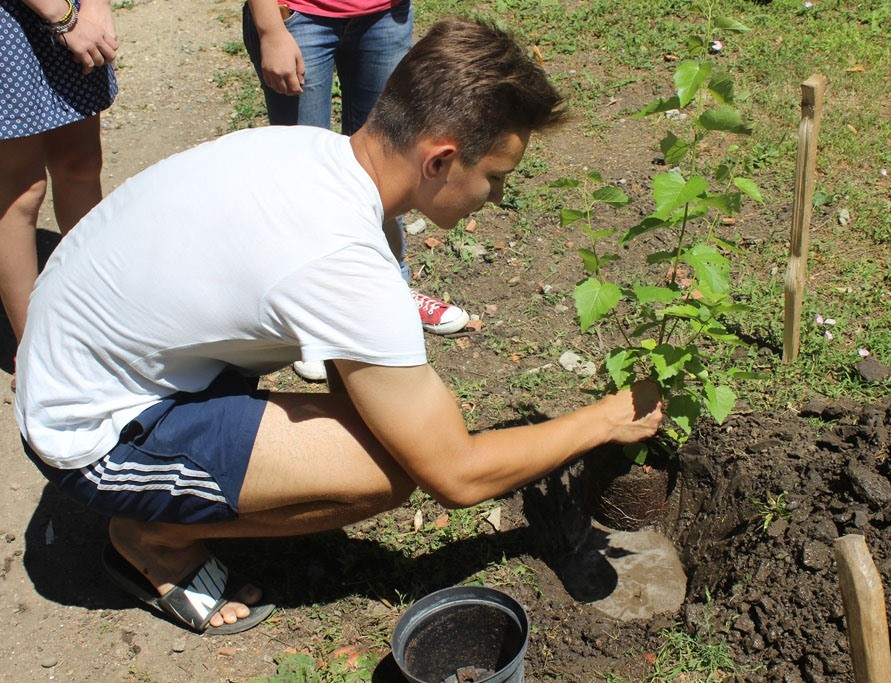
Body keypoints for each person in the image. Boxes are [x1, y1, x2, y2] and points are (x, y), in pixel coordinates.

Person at [15, 18, 663, 635]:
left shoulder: (313, 153)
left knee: (388, 424)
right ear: (439, 160)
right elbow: (455, 475)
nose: (495, 198)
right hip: (85, 425)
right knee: (388, 469)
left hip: (90, 345)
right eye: (494, 178)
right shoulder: (343, 262)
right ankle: (150, 540)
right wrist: (605, 418)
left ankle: (181, 482)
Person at [242, 0, 469, 382]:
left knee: (386, 164)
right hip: (297, 16)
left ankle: (391, 293)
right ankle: (312, 321)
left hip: (384, 16)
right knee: (303, 171)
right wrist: (270, 29)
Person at [0, 0, 118, 378]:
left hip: (73, 11)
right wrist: (63, 17)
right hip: (13, 21)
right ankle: (35, 352)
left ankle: (95, 322)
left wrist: (96, 7)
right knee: (21, 189)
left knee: (81, 165)